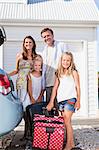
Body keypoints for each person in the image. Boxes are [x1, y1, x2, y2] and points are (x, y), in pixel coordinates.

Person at [46, 52, 80, 150]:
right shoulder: (58, 73)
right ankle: (71, 142)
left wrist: (78, 101)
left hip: (70, 100)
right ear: (61, 61)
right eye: (64, 60)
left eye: (68, 60)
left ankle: (69, 145)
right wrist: (51, 102)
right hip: (61, 101)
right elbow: (55, 88)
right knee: (64, 122)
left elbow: (78, 87)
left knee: (67, 120)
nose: (65, 62)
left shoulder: (74, 72)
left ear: (71, 61)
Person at [8, 35, 37, 140]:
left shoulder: (36, 57)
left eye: (30, 42)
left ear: (33, 44)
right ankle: (27, 132)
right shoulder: (19, 56)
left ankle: (30, 133)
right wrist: (6, 75)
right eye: (26, 43)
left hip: (31, 84)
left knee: (30, 107)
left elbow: (37, 71)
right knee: (24, 108)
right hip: (21, 84)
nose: (28, 44)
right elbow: (16, 70)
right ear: (24, 44)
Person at [41, 27, 68, 106]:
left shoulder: (61, 45)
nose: (46, 38)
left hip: (60, 81)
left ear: (53, 35)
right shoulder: (44, 51)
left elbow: (68, 61)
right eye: (44, 37)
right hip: (48, 82)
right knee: (51, 107)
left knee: (61, 106)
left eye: (48, 35)